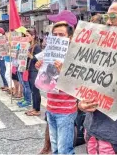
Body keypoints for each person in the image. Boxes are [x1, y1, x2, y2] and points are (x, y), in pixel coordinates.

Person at [77, 0, 117, 154]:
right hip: (90, 125)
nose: (108, 21)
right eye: (106, 16)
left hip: (112, 129)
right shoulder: (96, 44)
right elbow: (84, 80)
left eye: (114, 16)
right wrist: (81, 103)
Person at [35, 21, 78, 154]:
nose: (58, 38)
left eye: (62, 35)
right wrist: (40, 67)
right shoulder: (48, 53)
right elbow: (44, 83)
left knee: (65, 150)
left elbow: (78, 85)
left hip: (66, 110)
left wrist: (63, 72)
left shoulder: (75, 56)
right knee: (56, 149)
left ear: (70, 38)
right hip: (51, 107)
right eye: (55, 35)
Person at [19, 28, 42, 116]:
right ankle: (34, 107)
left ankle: (37, 109)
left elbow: (39, 59)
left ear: (33, 36)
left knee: (36, 90)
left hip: (34, 71)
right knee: (32, 90)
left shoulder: (36, 47)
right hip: (28, 70)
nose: (26, 37)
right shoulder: (28, 46)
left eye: (28, 35)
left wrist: (30, 56)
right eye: (25, 35)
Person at [0, 27, 9, 92]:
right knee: (1, 72)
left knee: (3, 72)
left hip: (2, 58)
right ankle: (5, 84)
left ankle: (7, 85)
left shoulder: (4, 39)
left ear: (1, 33)